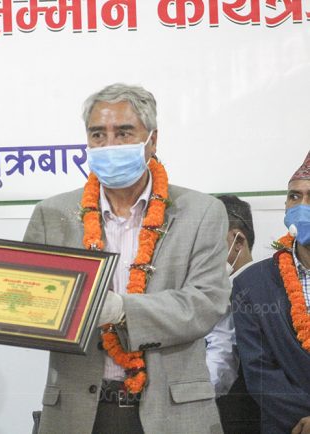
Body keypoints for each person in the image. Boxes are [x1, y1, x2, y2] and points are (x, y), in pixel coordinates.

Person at [24, 83, 229, 433]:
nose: (109, 145)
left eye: (123, 133)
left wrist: (121, 310)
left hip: (172, 415)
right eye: (97, 135)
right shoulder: (51, 215)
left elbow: (205, 303)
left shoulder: (202, 212)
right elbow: (29, 301)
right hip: (77, 415)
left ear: (152, 140)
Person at [233, 151, 310, 434]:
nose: (302, 206)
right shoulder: (252, 284)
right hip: (288, 426)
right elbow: (259, 371)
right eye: (294, 196)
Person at [205, 194, 260, 433]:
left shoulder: (263, 289)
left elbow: (224, 361)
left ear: (238, 241)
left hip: (239, 418)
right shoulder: (208, 291)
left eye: (208, 242)